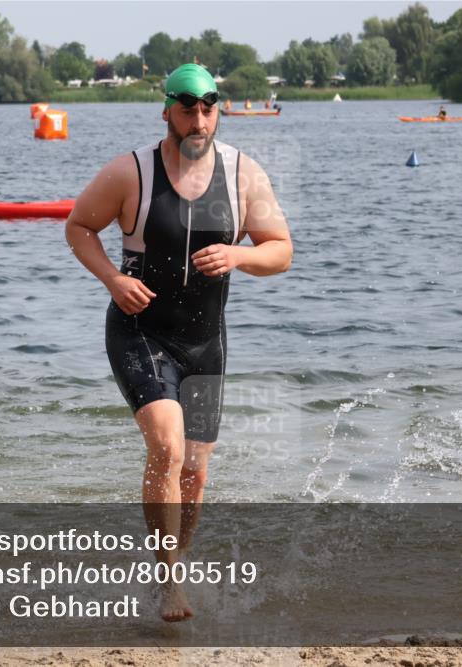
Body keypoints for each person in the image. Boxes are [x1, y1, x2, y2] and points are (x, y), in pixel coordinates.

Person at [65, 63, 292, 621]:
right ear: (166, 110)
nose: (198, 120)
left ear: (218, 111)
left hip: (205, 341)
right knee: (166, 447)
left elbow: (281, 249)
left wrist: (239, 254)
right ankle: (168, 581)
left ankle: (175, 564)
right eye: (187, 110)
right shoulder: (131, 172)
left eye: (208, 109)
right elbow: (78, 226)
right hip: (141, 330)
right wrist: (113, 279)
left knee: (195, 469)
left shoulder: (243, 174)